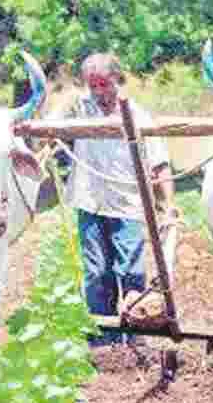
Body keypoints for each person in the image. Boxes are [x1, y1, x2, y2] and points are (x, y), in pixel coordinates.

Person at [54, 53, 175, 344]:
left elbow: (159, 164)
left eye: (104, 84)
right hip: (89, 202)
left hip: (128, 205)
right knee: (96, 273)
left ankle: (137, 336)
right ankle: (103, 341)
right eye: (92, 85)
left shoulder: (138, 116)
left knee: (131, 271)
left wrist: (169, 206)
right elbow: (48, 127)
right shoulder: (78, 110)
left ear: (117, 80)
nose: (98, 91)